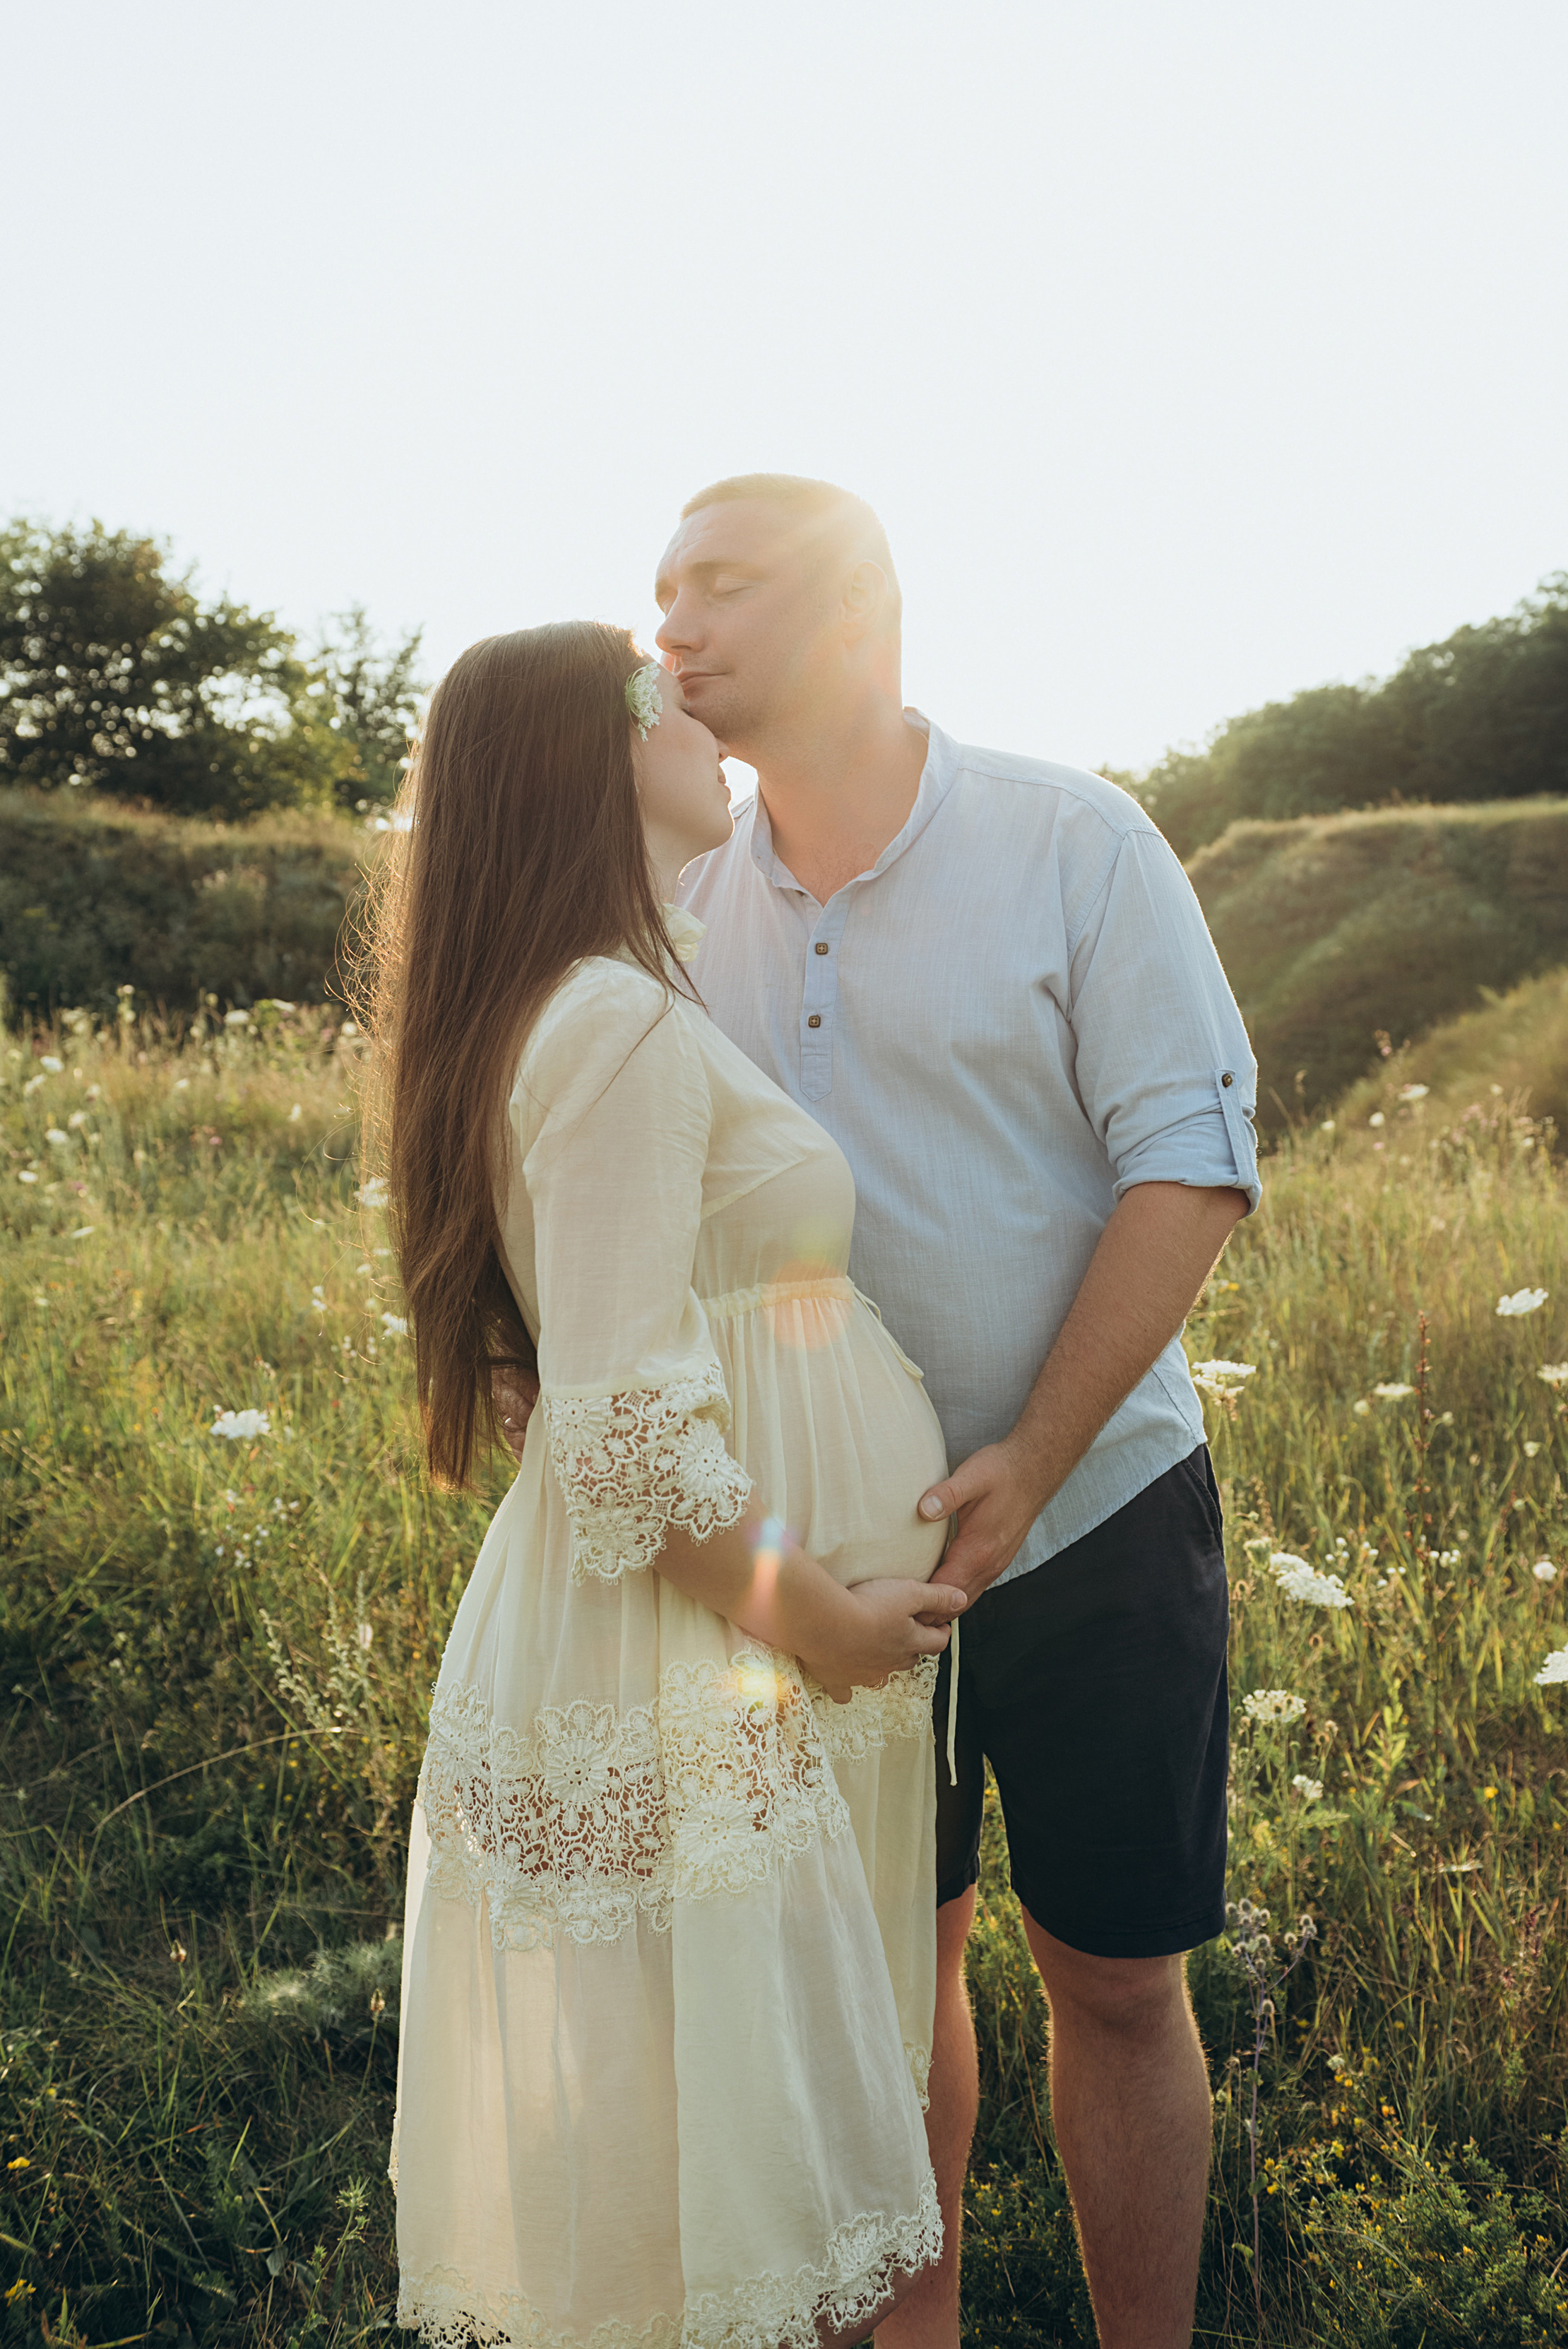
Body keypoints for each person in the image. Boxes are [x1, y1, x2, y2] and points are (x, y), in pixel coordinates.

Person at [657, 475, 1261, 2349]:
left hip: (1095, 1520)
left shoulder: (1072, 840)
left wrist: (1036, 1456)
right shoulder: (682, 915)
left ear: (859, 612)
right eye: (660, 589)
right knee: (878, 1993)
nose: (672, 620)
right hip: (835, 1566)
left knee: (1114, 1981)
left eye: (722, 584)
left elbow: (1191, 1159)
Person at [365, 620, 969, 2348]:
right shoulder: (614, 1021)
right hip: (731, 1638)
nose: (695, 714)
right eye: (654, 693)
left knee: (709, 2113)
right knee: (729, 2136)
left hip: (706, 1627)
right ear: (583, 758)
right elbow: (624, 1412)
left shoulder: (584, 1002)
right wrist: (824, 1626)